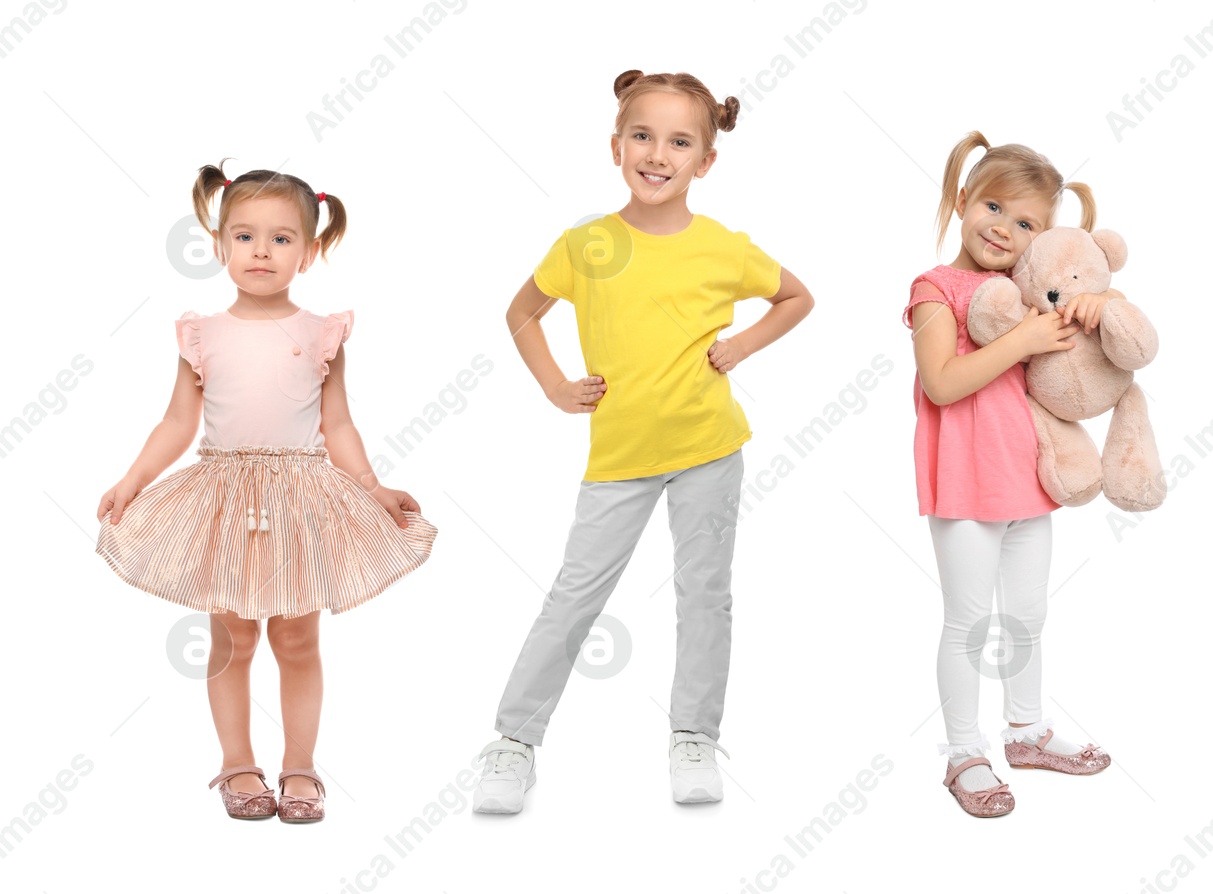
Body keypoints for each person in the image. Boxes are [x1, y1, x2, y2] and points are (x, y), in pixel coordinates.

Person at [471, 69, 814, 813]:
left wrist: (744, 346)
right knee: (574, 596)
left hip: (709, 451)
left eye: (680, 141)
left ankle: (694, 736)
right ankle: (514, 743)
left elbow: (796, 296)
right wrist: (555, 386)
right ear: (617, 145)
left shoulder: (723, 248)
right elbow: (523, 314)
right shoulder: (587, 244)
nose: (659, 154)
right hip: (619, 460)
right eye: (644, 136)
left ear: (705, 161)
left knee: (705, 595)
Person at [96, 162, 436, 822]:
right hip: (226, 499)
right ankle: (236, 765)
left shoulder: (321, 333)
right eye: (245, 236)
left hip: (299, 500)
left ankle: (301, 768)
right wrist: (133, 479)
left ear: (309, 252)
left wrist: (373, 487)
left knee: (298, 639)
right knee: (232, 640)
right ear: (220, 245)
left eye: (281, 239)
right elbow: (177, 421)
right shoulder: (202, 334)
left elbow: (337, 422)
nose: (261, 250)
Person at [904, 131, 1117, 818]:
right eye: (993, 207)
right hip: (965, 483)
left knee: (1027, 614)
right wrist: (1023, 338)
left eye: (1025, 222)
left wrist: (1089, 309)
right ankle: (965, 751)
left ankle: (1026, 731)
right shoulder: (937, 288)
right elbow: (941, 382)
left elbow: (1073, 360)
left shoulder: (1028, 293)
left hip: (1028, 480)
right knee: (969, 621)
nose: (1004, 228)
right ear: (963, 200)